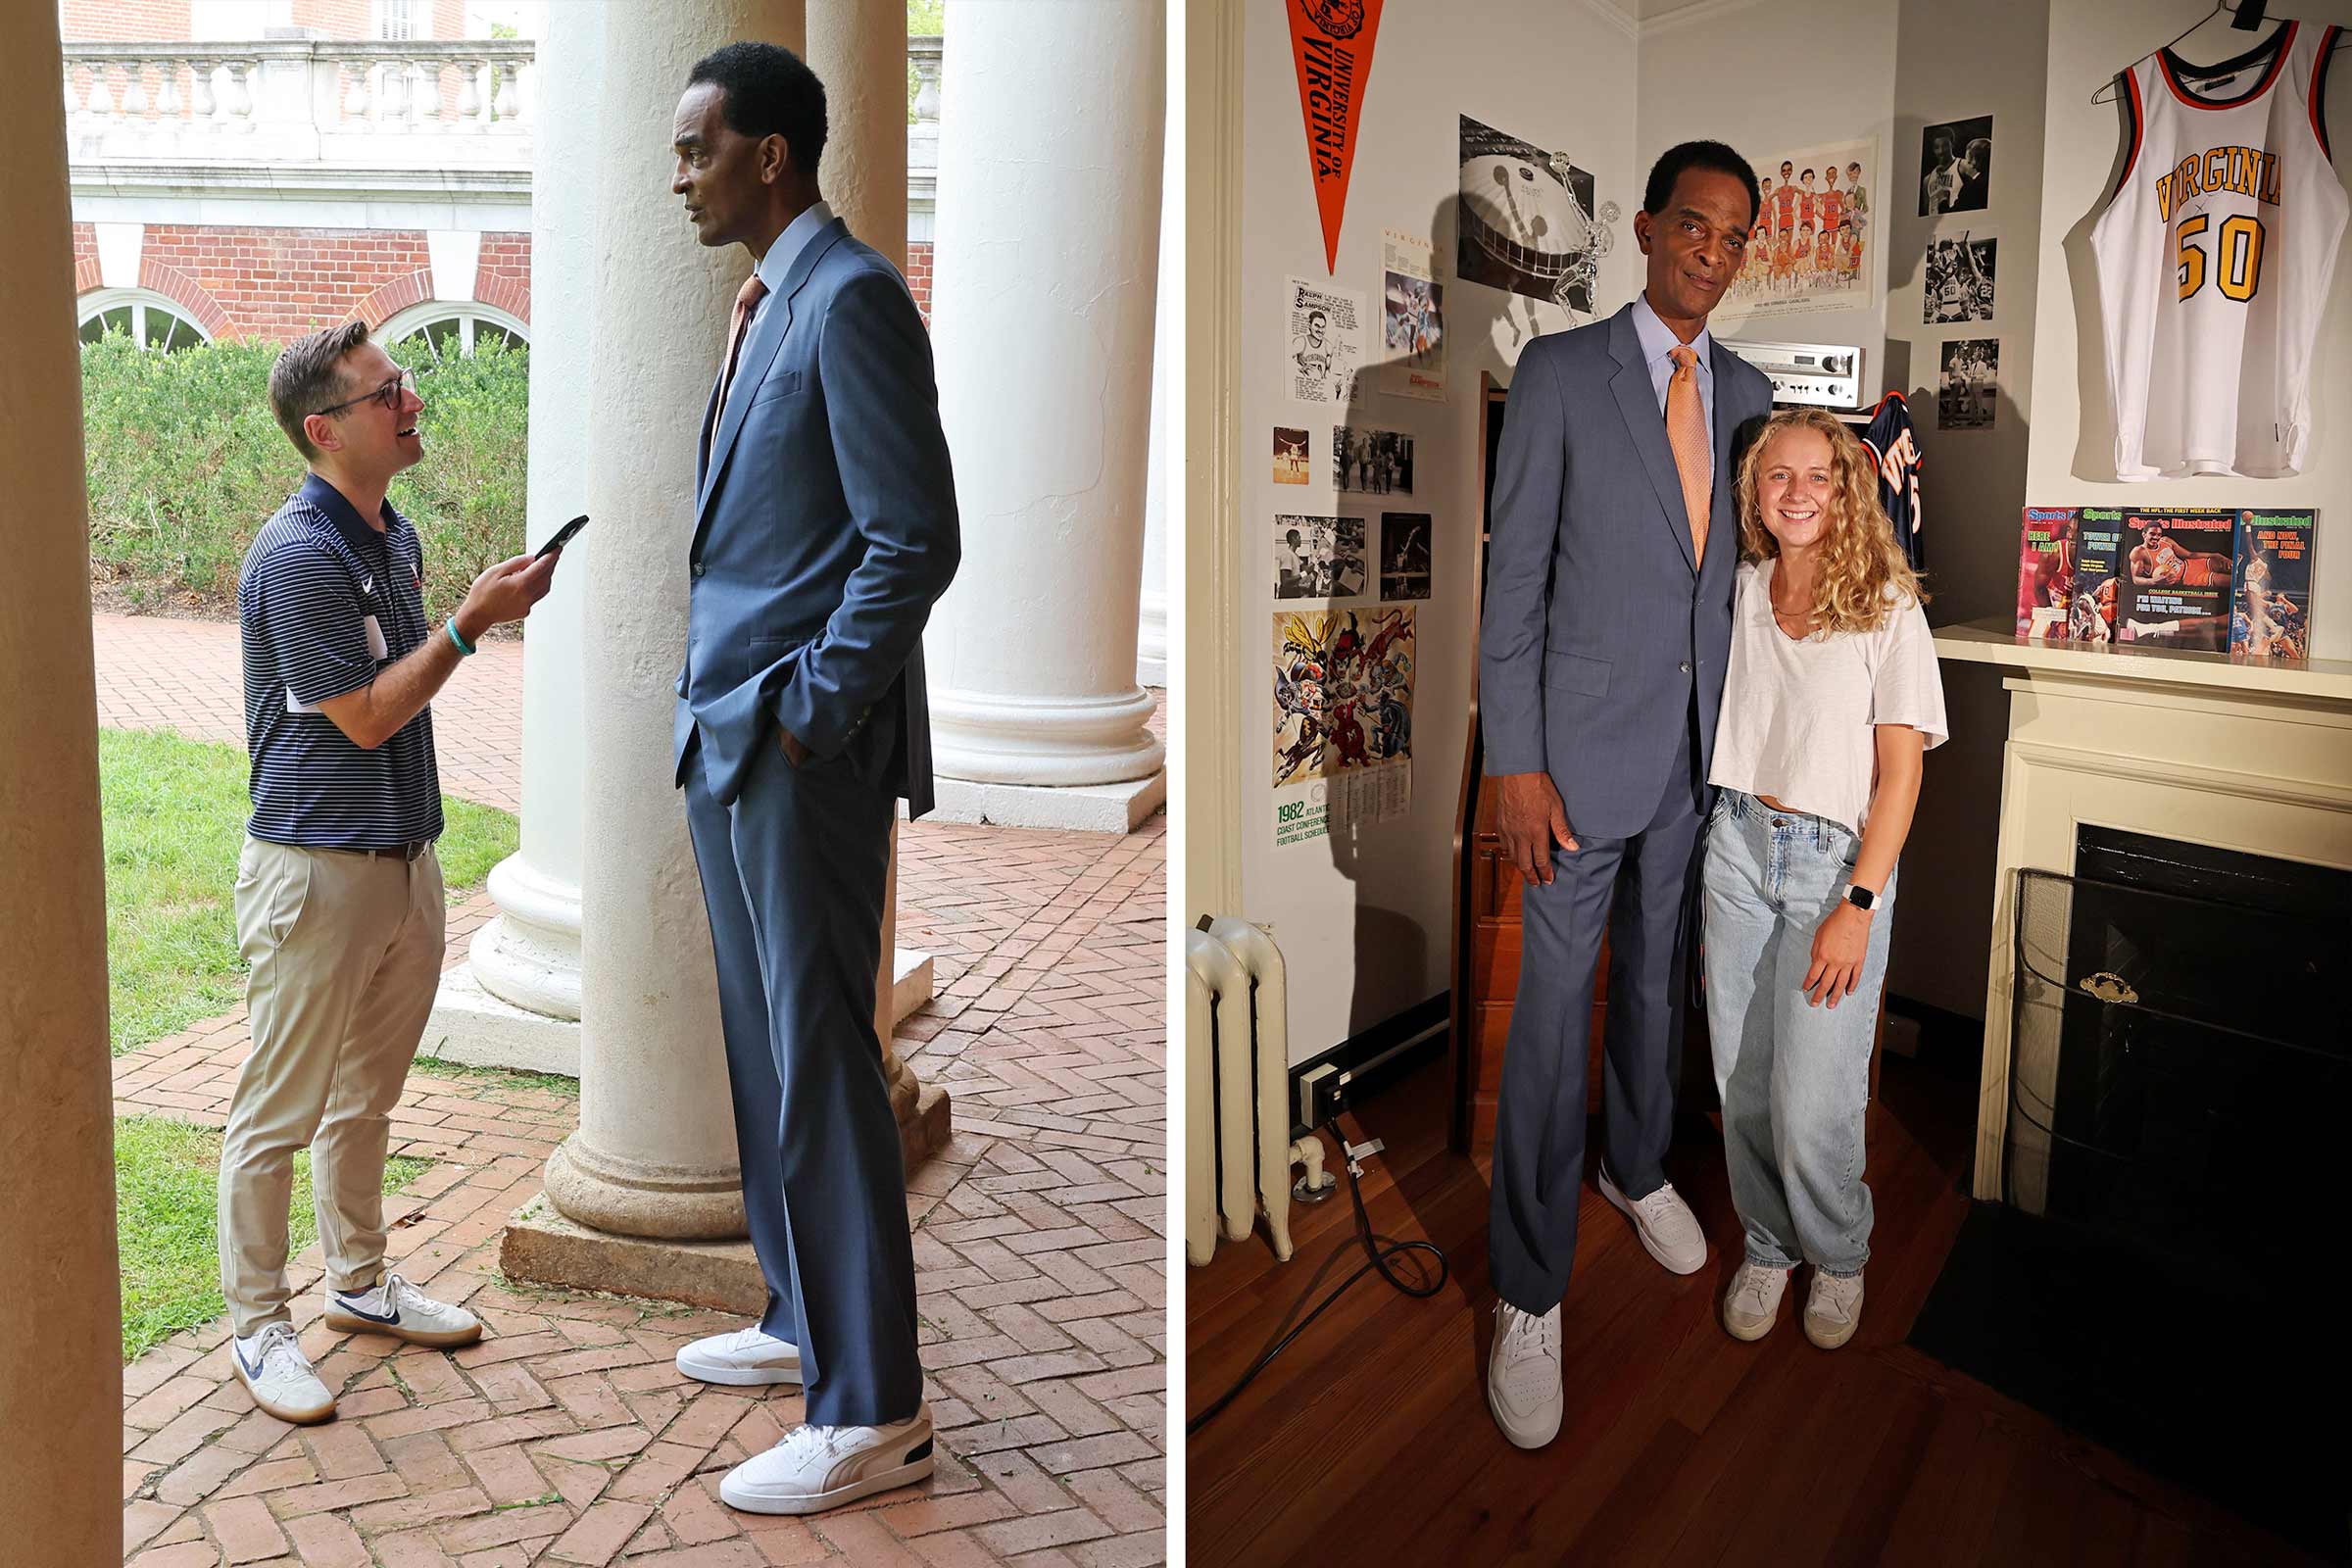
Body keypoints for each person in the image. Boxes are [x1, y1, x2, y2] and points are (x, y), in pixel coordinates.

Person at [665, 40, 958, 1516]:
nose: (680, 173)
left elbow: (917, 538)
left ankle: (876, 1412)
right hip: (728, 738)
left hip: (798, 752)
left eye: (698, 147)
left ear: (769, 153)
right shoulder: (767, 300)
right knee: (764, 1051)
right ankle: (800, 1320)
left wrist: (809, 712)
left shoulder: (850, 299)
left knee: (825, 1060)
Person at [1477, 140, 1774, 1450]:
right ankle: (1527, 1285)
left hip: (1697, 761)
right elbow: (1516, 584)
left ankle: (1638, 1165)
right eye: (1693, 227)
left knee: (1656, 989)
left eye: (1734, 236)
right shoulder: (1558, 374)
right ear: (1648, 231)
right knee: (1551, 1020)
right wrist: (1515, 763)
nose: (1712, 251)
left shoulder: (1757, 394)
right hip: (1573, 763)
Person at [222, 320, 559, 1424]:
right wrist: (468, 622)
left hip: (405, 863)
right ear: (324, 430)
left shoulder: (387, 532)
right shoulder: (299, 556)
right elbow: (367, 718)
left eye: (402, 382)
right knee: (279, 1109)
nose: (409, 400)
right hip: (314, 870)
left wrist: (454, 615)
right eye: (383, 393)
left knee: (367, 1097)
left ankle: (360, 1284)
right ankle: (260, 1326)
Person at [1703, 407, 1946, 1352]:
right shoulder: (1742, 588)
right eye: (1778, 477)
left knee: (1814, 1099)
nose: (1797, 492)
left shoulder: (1888, 603)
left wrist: (1858, 903)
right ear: (1755, 494)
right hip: (1734, 850)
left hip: (1831, 870)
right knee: (1744, 1083)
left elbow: (1904, 773)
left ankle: (1838, 1256)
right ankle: (1769, 1243)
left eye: (1818, 476)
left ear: (1847, 490)